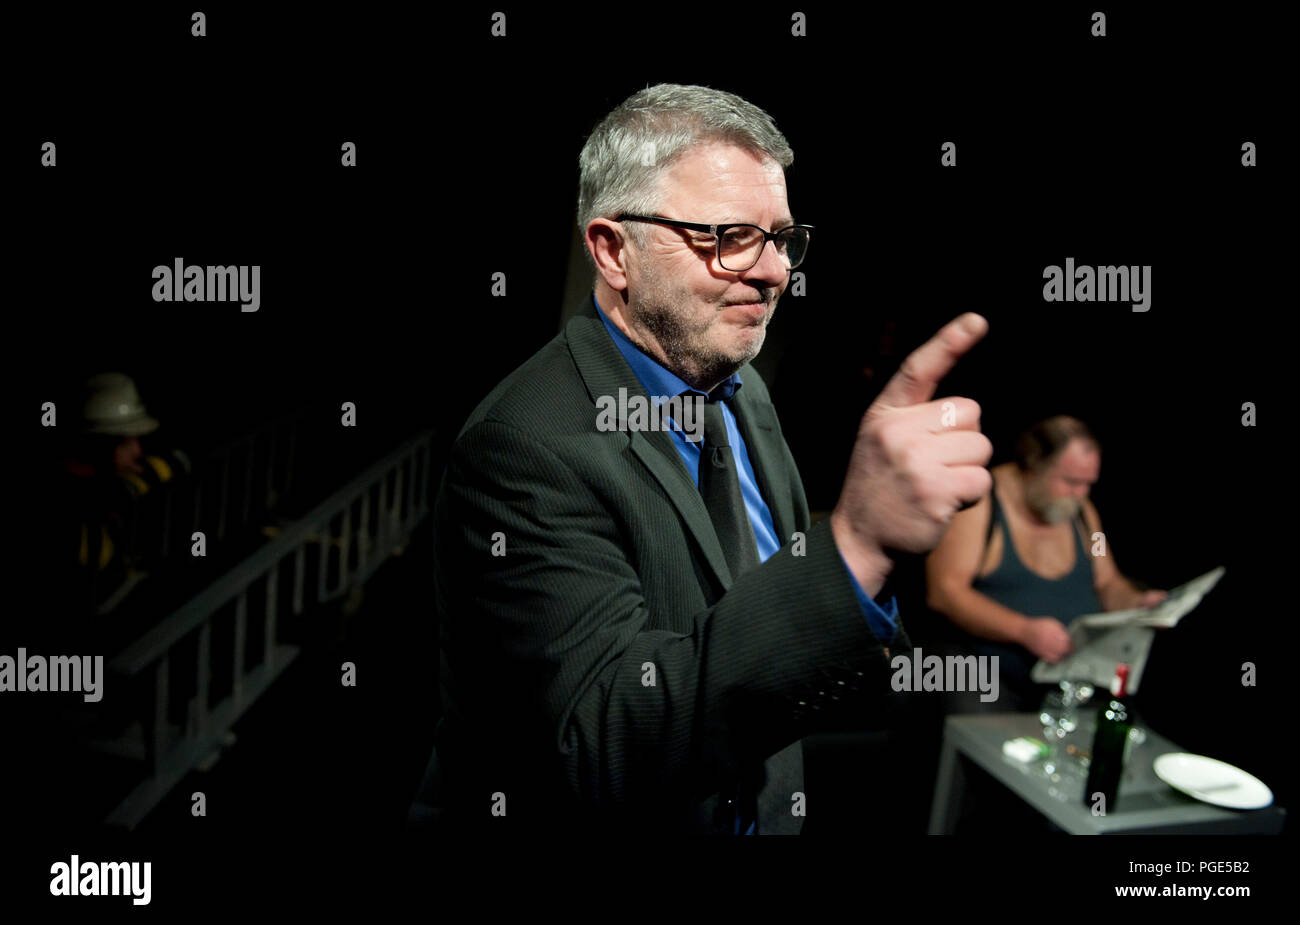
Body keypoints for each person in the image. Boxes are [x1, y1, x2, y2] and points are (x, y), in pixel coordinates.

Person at [430, 84, 993, 834]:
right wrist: (854, 547)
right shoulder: (525, 446)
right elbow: (603, 744)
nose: (772, 273)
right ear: (612, 249)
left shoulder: (744, 393)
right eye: (729, 236)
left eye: (783, 239)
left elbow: (767, 644)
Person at [924, 415, 1168, 713]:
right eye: (1070, 482)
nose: (1081, 494)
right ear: (1033, 466)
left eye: (1088, 484)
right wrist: (1023, 630)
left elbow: (1108, 581)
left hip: (1069, 674)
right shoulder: (980, 505)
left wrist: (1137, 602)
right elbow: (945, 592)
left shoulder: (1084, 515)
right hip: (987, 673)